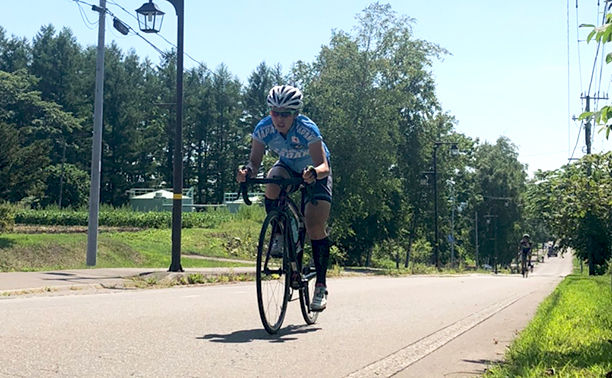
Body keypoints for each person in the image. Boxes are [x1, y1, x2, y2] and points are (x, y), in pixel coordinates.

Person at [236, 85, 332, 311]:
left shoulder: (307, 129)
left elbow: (323, 166)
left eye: (285, 113)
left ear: (295, 114)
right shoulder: (263, 129)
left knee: (314, 225)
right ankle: (279, 233)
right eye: (274, 112)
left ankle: (320, 285)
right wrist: (246, 172)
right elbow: (255, 162)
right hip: (287, 167)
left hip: (314, 171)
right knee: (272, 182)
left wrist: (314, 174)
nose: (279, 118)